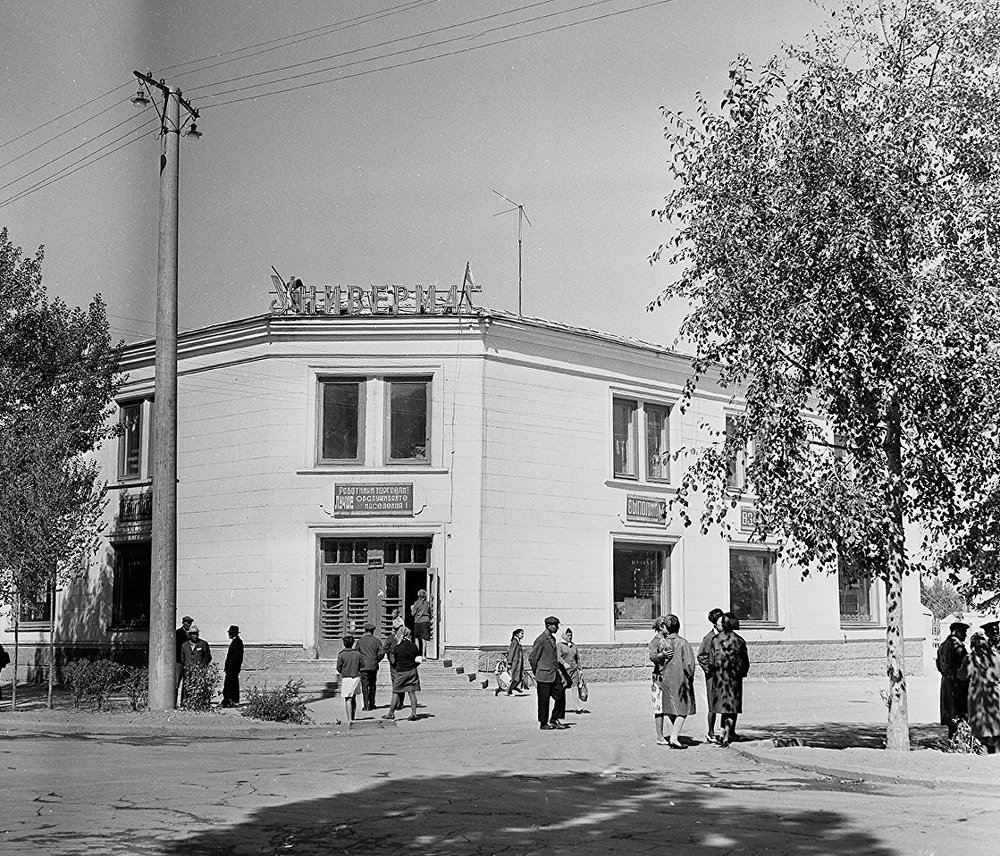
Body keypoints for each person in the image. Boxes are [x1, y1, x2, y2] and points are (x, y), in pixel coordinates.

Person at [705, 612, 750, 747]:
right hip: (734, 677)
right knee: (732, 707)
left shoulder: (715, 639)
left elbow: (711, 661)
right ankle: (726, 734)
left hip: (719, 677)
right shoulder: (740, 640)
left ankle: (722, 734)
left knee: (722, 706)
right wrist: (741, 673)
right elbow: (745, 661)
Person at [656, 614, 697, 749]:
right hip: (680, 680)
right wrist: (690, 676)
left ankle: (673, 735)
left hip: (666, 679)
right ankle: (674, 737)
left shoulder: (663, 643)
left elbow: (659, 661)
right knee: (682, 710)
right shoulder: (683, 643)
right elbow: (689, 664)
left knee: (668, 709)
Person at [529, 616, 568, 730]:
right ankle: (543, 723)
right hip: (543, 675)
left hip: (553, 673)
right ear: (548, 626)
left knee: (560, 693)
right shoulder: (540, 640)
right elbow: (532, 658)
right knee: (544, 700)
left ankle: (555, 718)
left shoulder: (552, 639)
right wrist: (537, 671)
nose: (557, 628)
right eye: (555, 625)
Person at [967, 629, 1000, 754]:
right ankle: (996, 754)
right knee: (996, 727)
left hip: (978, 695)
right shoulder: (997, 657)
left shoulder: (970, 658)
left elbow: (962, 674)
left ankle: (984, 753)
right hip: (995, 694)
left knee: (981, 731)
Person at [936, 621, 970, 738]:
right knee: (959, 714)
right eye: (964, 632)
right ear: (957, 632)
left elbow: (938, 666)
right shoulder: (958, 647)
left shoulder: (942, 646)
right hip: (957, 685)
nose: (965, 635)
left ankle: (952, 741)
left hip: (946, 683)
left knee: (951, 717)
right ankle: (959, 742)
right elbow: (965, 667)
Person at [696, 608, 725, 743]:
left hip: (725, 676)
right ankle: (711, 732)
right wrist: (710, 670)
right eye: (721, 623)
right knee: (713, 705)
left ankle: (725, 732)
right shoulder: (708, 638)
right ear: (714, 624)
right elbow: (701, 656)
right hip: (713, 677)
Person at [384, 628, 421, 721]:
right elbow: (417, 658)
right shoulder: (414, 646)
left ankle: (391, 713)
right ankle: (414, 713)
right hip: (412, 671)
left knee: (396, 691)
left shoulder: (397, 647)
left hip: (401, 671)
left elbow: (395, 660)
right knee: (411, 692)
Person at [649, 615, 674, 743]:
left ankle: (673, 734)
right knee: (659, 709)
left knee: (669, 706)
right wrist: (662, 655)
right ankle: (660, 736)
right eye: (666, 625)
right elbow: (652, 656)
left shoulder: (667, 639)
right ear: (661, 627)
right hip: (658, 677)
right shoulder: (655, 641)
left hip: (668, 676)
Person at [180, 625, 212, 707]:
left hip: (200, 670)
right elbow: (182, 658)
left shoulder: (203, 644)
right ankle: (185, 703)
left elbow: (208, 657)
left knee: (200, 686)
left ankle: (201, 703)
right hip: (188, 670)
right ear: (189, 635)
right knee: (187, 686)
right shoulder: (184, 645)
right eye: (193, 634)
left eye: (196, 633)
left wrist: (203, 667)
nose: (195, 636)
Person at [356, 622, 385, 711]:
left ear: (365, 630)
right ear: (373, 631)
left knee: (364, 686)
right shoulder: (376, 641)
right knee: (372, 685)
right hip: (373, 665)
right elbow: (382, 652)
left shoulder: (360, 641)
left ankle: (366, 705)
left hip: (363, 666)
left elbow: (357, 653)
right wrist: (377, 659)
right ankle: (372, 703)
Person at [337, 634, 364, 723]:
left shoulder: (342, 654)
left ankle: (349, 719)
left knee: (348, 698)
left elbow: (338, 667)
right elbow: (362, 665)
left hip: (346, 678)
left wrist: (342, 672)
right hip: (356, 677)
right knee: (354, 697)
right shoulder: (357, 654)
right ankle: (353, 716)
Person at [558, 627, 584, 713]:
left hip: (574, 670)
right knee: (562, 689)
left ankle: (577, 707)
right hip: (564, 671)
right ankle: (559, 707)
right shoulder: (559, 645)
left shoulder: (574, 645)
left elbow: (577, 658)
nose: (570, 637)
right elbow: (558, 657)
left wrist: (580, 669)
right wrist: (564, 663)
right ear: (564, 635)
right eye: (568, 635)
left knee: (575, 687)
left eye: (571, 635)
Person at [222, 625, 244, 708]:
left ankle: (228, 700)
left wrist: (231, 667)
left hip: (233, 668)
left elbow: (236, 657)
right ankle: (231, 700)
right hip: (232, 668)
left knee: (229, 684)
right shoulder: (236, 642)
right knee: (232, 684)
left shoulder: (237, 642)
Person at [175, 615, 194, 701]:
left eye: (190, 623)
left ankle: (184, 702)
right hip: (179, 661)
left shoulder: (192, 634)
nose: (188, 624)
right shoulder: (177, 633)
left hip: (188, 662)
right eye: (186, 622)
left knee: (187, 683)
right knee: (176, 683)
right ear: (183, 623)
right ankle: (173, 702)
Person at [505, 628, 529, 696]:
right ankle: (509, 691)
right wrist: (509, 663)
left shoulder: (518, 642)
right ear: (517, 634)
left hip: (519, 663)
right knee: (515, 677)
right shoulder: (514, 642)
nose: (522, 635)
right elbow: (511, 652)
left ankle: (514, 687)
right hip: (515, 663)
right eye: (521, 633)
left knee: (519, 677)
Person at [411, 589, 432, 655]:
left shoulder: (416, 603)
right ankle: (424, 655)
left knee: (417, 639)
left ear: (418, 595)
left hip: (418, 622)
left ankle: (417, 654)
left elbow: (413, 614)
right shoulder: (427, 603)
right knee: (424, 639)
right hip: (426, 622)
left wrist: (412, 609)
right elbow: (431, 613)